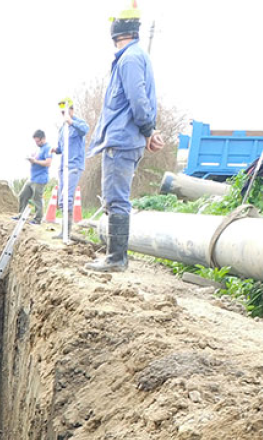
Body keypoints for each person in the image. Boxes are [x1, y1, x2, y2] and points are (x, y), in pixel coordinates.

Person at [85, 2, 164, 273]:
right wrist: (148, 131)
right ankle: (115, 256)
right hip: (127, 138)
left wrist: (148, 129)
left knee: (116, 199)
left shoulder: (129, 59)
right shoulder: (136, 56)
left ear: (117, 31)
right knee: (115, 197)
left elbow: (138, 100)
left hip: (121, 141)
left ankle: (116, 258)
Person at [51, 98, 89, 228]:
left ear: (71, 110)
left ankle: (67, 232)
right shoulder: (62, 129)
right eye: (62, 112)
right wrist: (55, 149)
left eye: (66, 111)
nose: (64, 114)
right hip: (63, 166)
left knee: (67, 197)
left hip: (74, 165)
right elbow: (61, 148)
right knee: (62, 200)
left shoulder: (78, 123)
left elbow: (85, 130)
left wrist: (71, 122)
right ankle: (64, 231)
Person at [16, 130, 53, 224]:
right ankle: (21, 215)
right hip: (32, 177)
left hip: (40, 178)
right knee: (23, 195)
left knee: (37, 199)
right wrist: (31, 159)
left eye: (38, 141)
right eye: (35, 141)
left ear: (43, 139)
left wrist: (35, 161)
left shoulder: (48, 148)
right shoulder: (39, 149)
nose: (36, 143)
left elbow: (48, 163)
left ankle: (37, 219)